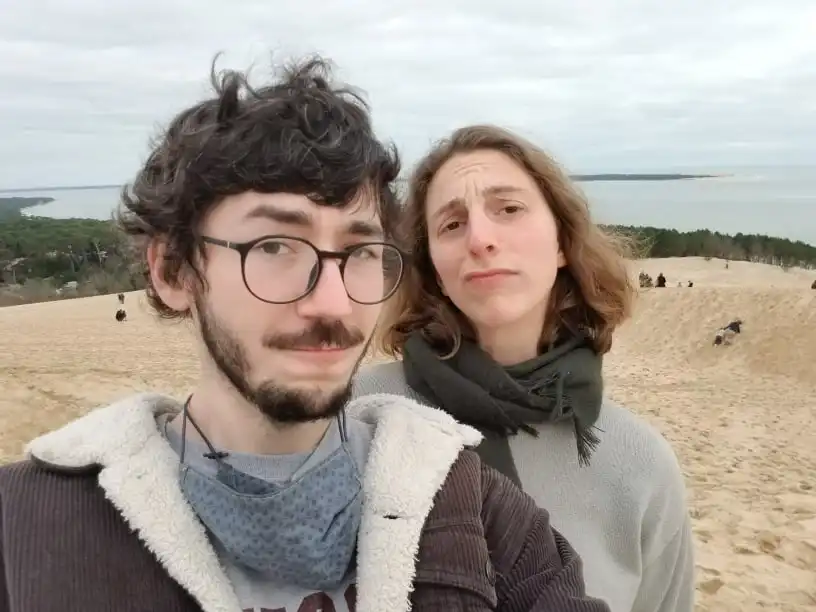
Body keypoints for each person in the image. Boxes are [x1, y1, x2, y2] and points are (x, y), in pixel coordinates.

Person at [0, 59, 610, 612]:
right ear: (173, 273)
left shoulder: (478, 509)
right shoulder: (25, 526)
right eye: (274, 246)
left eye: (360, 249)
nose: (333, 301)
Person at [353, 125, 695, 612]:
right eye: (451, 224)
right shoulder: (361, 417)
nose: (481, 239)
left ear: (561, 242)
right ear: (435, 273)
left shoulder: (641, 466)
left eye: (508, 209)